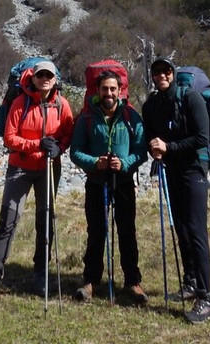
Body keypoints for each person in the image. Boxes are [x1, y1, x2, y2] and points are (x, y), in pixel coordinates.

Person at [0, 60, 74, 304]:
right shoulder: (20, 102)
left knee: (45, 219)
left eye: (49, 75)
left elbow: (68, 131)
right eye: (41, 75)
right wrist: (38, 145)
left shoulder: (62, 104)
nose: (45, 78)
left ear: (55, 79)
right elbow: (9, 138)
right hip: (20, 168)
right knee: (8, 221)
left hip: (48, 167)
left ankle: (41, 273)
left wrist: (59, 148)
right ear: (33, 78)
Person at [142, 57, 210, 323]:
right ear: (152, 76)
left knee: (196, 230)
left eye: (166, 71)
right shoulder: (151, 104)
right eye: (156, 72)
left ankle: (205, 298)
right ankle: (190, 282)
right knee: (182, 227)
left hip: (194, 169)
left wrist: (168, 148)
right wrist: (154, 150)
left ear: (173, 74)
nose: (161, 75)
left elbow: (201, 138)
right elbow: (151, 137)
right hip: (171, 170)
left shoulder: (192, 98)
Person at [69, 68, 148, 305]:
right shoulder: (87, 117)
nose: (109, 93)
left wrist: (124, 164)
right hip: (96, 182)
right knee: (96, 232)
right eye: (105, 89)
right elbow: (75, 152)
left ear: (120, 90)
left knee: (127, 232)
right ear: (98, 90)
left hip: (123, 182)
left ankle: (132, 281)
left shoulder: (131, 117)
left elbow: (141, 151)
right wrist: (95, 162)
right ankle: (91, 280)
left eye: (113, 89)